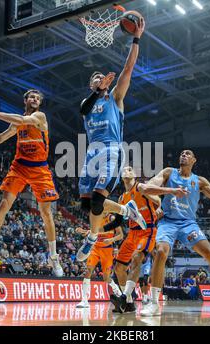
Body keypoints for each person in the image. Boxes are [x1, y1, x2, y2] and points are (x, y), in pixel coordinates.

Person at [138, 149, 210, 317]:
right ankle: (154, 302)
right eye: (182, 153)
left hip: (188, 224)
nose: (183, 155)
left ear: (194, 160)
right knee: (162, 251)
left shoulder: (199, 181)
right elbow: (144, 188)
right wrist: (171, 191)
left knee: (209, 253)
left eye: (188, 154)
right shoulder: (168, 172)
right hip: (168, 222)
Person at [0, 89, 63, 277]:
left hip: (40, 168)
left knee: (45, 212)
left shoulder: (39, 116)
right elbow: (0, 138)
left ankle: (53, 255)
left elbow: (24, 121)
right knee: (4, 203)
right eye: (31, 97)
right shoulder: (17, 123)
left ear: (39, 104)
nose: (34, 100)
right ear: (25, 100)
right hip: (20, 166)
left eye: (37, 98)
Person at [76, 17, 147, 262]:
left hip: (111, 151)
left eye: (101, 78)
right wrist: (97, 91)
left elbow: (128, 69)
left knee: (97, 202)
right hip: (91, 153)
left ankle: (92, 239)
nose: (99, 79)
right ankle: (126, 210)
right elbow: (84, 110)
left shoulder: (115, 98)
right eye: (95, 79)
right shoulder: (87, 103)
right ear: (91, 85)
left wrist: (136, 39)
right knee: (87, 207)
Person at [109, 166, 175, 313]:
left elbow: (158, 199)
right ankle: (130, 304)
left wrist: (158, 206)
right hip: (132, 233)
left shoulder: (141, 188)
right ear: (121, 176)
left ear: (135, 175)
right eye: (124, 170)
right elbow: (118, 220)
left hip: (147, 230)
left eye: (130, 169)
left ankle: (124, 296)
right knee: (119, 268)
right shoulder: (121, 198)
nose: (127, 171)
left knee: (137, 258)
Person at [75, 213, 123, 308]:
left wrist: (111, 240)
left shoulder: (111, 218)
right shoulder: (96, 217)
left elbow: (121, 235)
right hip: (95, 247)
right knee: (88, 270)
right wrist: (84, 231)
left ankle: (116, 290)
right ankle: (84, 300)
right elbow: (94, 232)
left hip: (107, 249)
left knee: (106, 278)